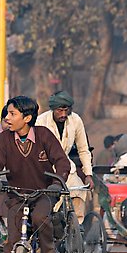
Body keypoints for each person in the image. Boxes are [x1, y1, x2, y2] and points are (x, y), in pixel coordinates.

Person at [0, 95, 71, 253]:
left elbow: (61, 161)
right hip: (16, 195)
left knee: (41, 217)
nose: (7, 117)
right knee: (12, 243)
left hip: (44, 192)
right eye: (7, 113)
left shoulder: (43, 135)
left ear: (27, 118)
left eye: (12, 114)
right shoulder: (3, 139)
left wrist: (57, 183)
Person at [35, 90, 94, 224]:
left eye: (65, 110)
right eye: (59, 111)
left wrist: (88, 174)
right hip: (45, 168)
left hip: (67, 167)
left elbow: (83, 149)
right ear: (53, 109)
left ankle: (76, 228)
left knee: (78, 191)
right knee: (49, 202)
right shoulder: (41, 121)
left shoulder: (75, 120)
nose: (63, 114)